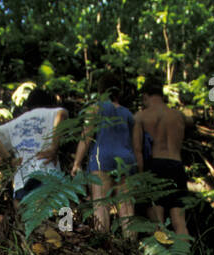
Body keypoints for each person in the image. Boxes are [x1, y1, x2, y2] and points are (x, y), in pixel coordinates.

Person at [70, 72, 139, 233]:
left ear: (100, 91)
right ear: (118, 92)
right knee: (127, 209)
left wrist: (76, 163)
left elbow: (86, 137)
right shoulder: (129, 114)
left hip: (102, 160)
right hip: (127, 161)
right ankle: (131, 248)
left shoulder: (94, 109)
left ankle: (104, 246)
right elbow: (136, 146)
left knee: (101, 205)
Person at [0, 88, 68, 214]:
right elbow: (61, 114)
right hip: (47, 171)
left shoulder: (16, 122)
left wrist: (10, 159)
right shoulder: (51, 112)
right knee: (60, 217)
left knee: (27, 221)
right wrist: (53, 146)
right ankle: (66, 230)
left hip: (22, 179)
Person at [132, 75, 189, 236]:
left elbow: (137, 150)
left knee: (157, 221)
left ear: (145, 96)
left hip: (155, 167)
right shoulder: (178, 116)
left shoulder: (140, 117)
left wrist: (141, 176)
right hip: (177, 166)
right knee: (179, 221)